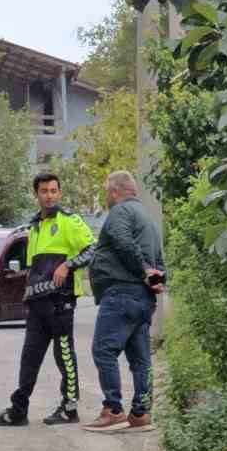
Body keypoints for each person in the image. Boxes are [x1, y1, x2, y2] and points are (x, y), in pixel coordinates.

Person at [0, 172, 95, 427]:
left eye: (54, 191)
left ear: (59, 193)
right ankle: (18, 410)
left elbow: (92, 248)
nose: (49, 196)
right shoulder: (34, 226)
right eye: (44, 191)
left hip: (61, 300)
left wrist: (68, 264)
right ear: (36, 195)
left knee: (63, 353)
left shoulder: (70, 221)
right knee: (30, 356)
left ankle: (69, 408)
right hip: (36, 302)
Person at [83, 171, 167, 432]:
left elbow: (122, 242)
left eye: (108, 192)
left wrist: (142, 271)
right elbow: (159, 261)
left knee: (103, 350)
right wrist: (157, 279)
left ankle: (113, 410)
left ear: (115, 192)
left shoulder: (120, 212)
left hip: (121, 293)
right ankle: (141, 413)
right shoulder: (148, 219)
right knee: (140, 358)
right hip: (143, 299)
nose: (107, 197)